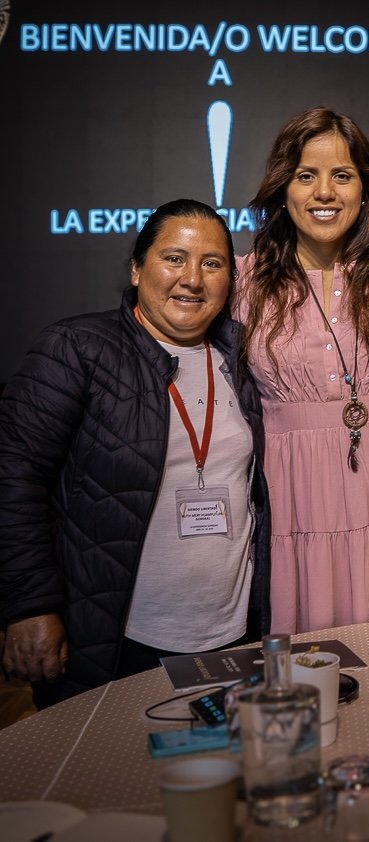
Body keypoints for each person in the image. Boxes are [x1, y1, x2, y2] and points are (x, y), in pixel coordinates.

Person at [0, 200, 270, 706]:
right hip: (115, 641)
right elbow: (14, 479)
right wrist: (29, 605)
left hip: (231, 633)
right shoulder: (76, 348)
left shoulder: (242, 360)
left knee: (221, 773)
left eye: (212, 263)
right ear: (136, 268)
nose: (192, 278)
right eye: (174, 258)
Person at [238, 107, 369, 633]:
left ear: (365, 189)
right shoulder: (244, 282)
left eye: (342, 175)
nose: (324, 193)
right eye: (305, 176)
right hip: (295, 498)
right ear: (282, 188)